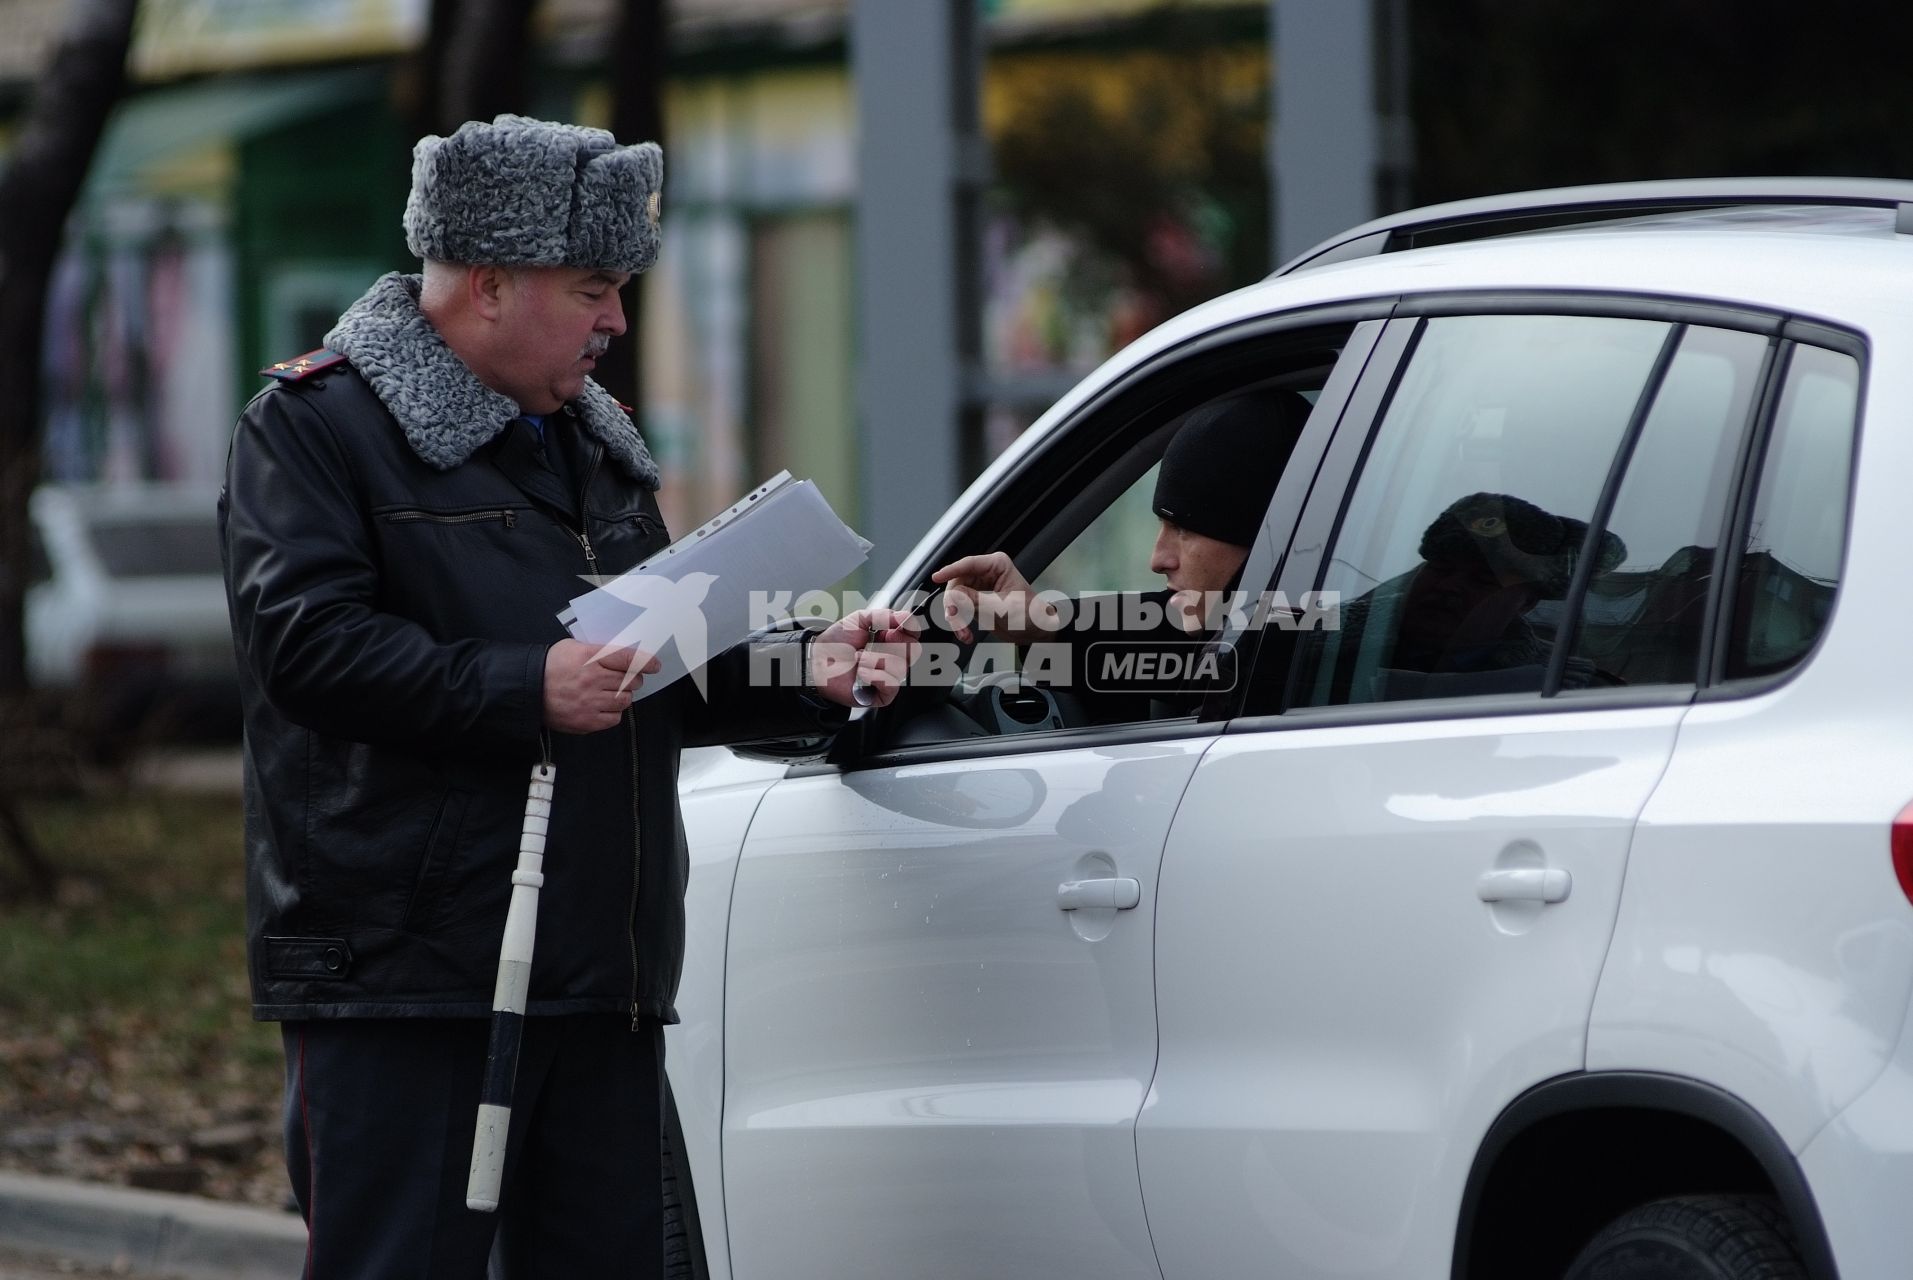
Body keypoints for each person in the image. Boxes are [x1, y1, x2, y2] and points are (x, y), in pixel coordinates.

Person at [219, 114, 910, 1279]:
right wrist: (522, 684)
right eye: (594, 288)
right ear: (487, 283)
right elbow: (304, 644)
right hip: (412, 973)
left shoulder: (589, 439)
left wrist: (806, 664)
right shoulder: (314, 426)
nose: (616, 323)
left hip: (601, 967)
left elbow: (649, 657)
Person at [928, 388, 1310, 713]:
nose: (1158, 559)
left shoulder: (1321, 652)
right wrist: (1044, 628)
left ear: (1265, 537)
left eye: (1183, 528)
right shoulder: (1269, 639)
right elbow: (1155, 636)